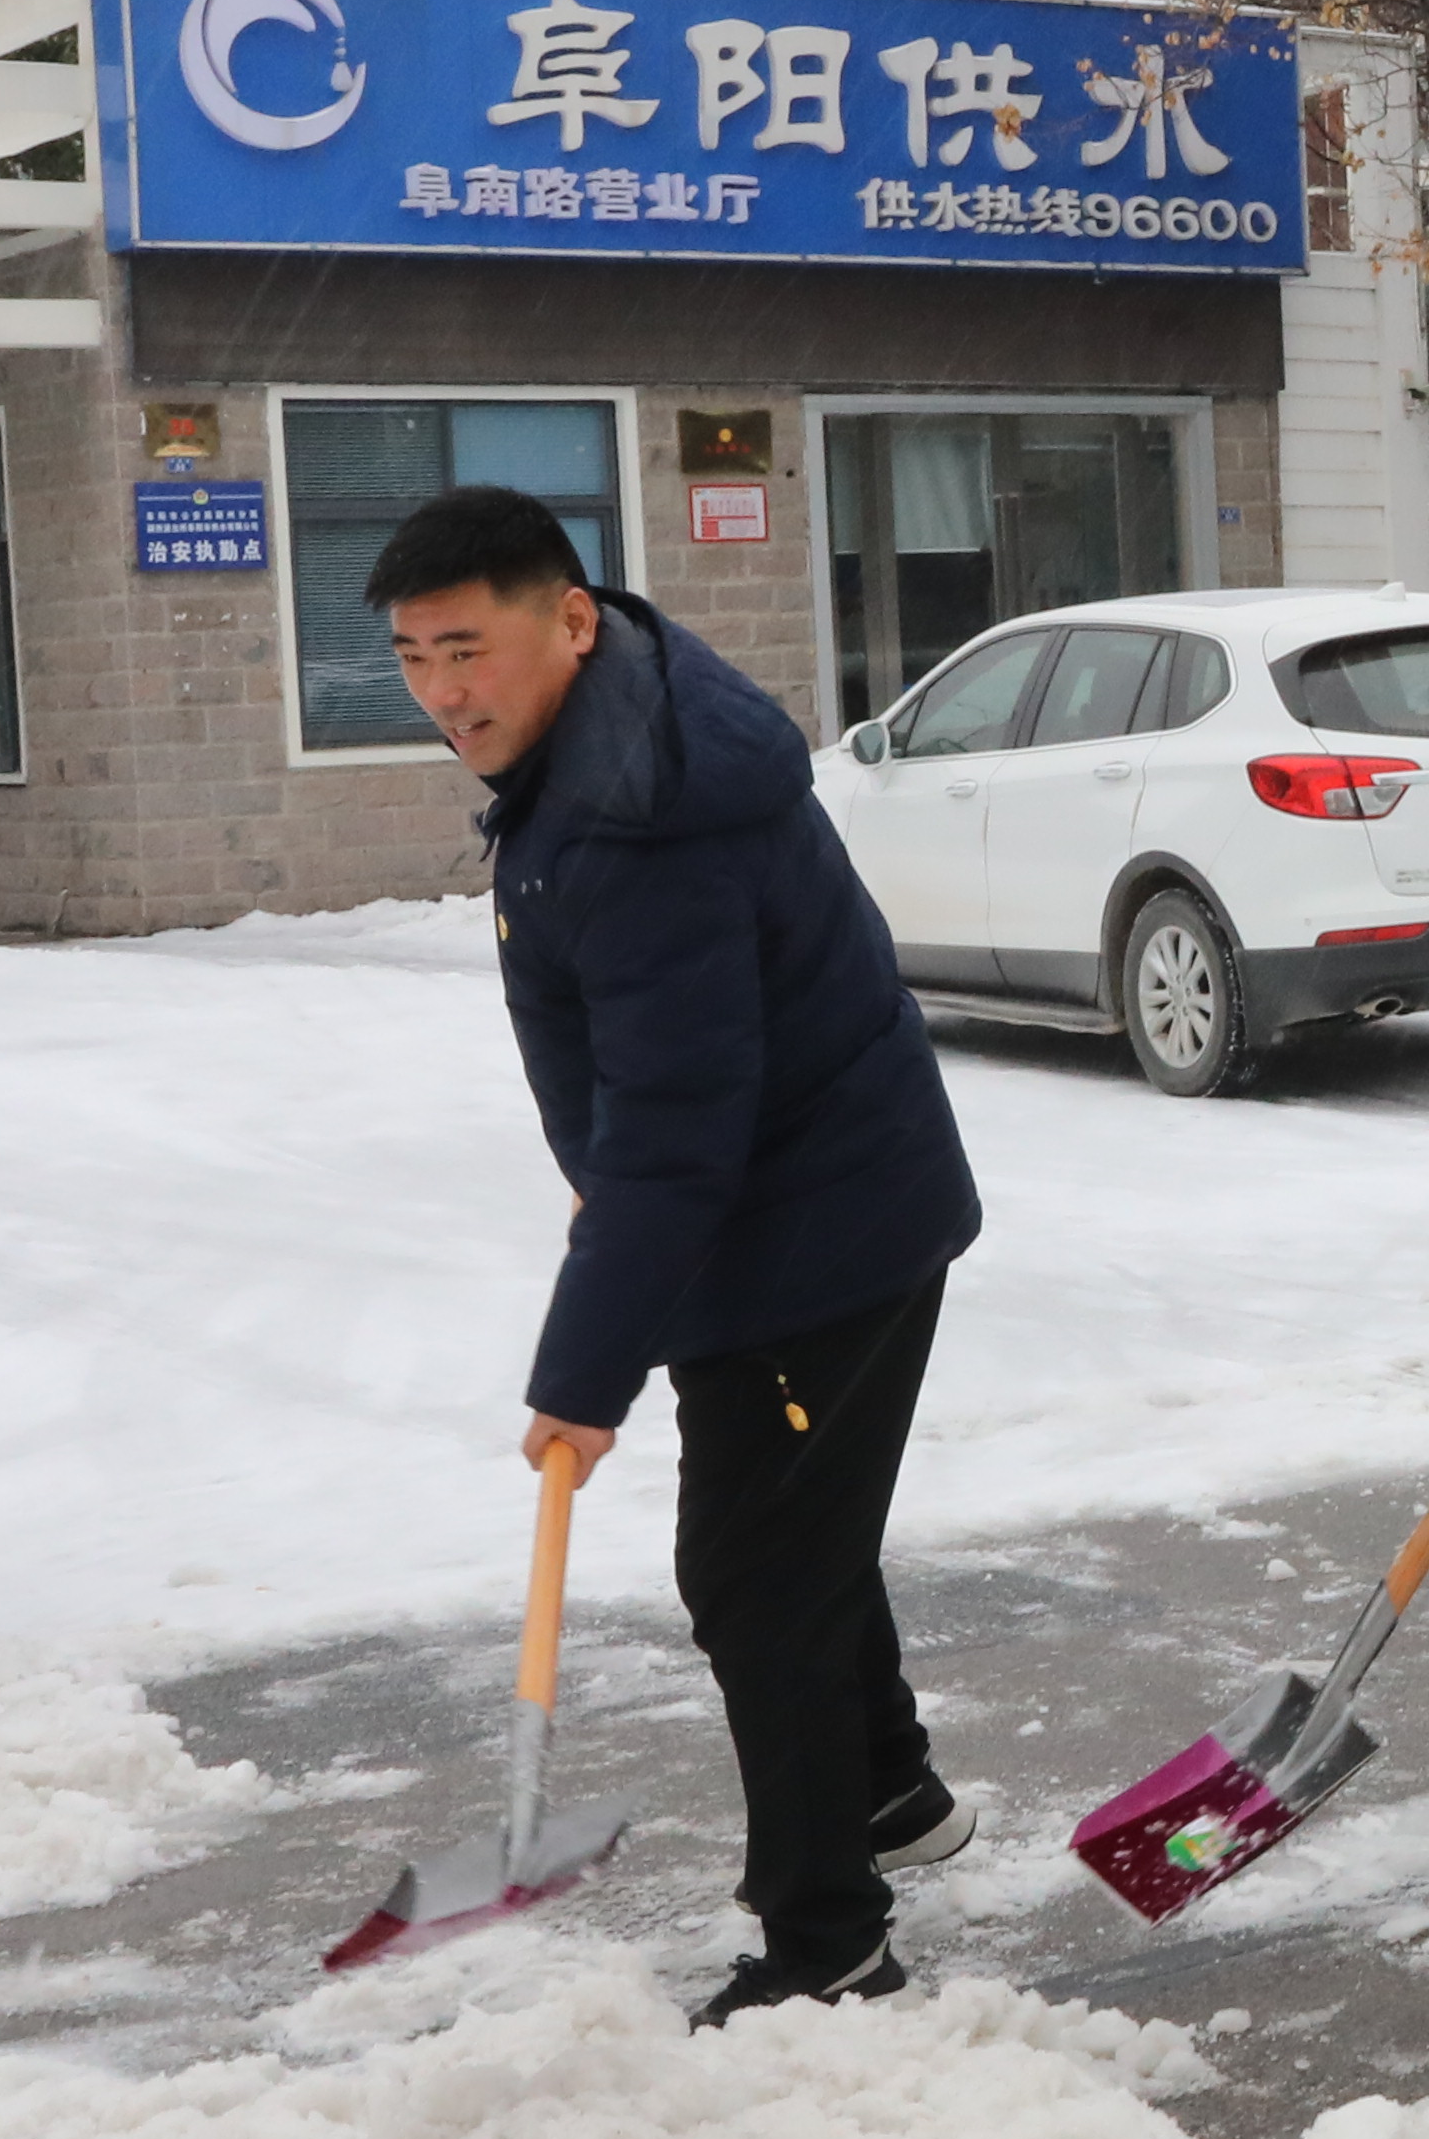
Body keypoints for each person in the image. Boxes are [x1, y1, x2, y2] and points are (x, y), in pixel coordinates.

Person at [380, 482, 986, 2026]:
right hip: (772, 1215)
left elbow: (678, 1128)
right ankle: (890, 1787)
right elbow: (667, 1101)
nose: (445, 693)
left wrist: (586, 1370)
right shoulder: (616, 736)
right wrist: (617, 1172)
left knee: (756, 1575)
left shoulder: (635, 816)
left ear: (570, 619)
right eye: (412, 658)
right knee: (796, 1533)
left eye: (469, 648)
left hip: (811, 1238)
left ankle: (825, 1937)